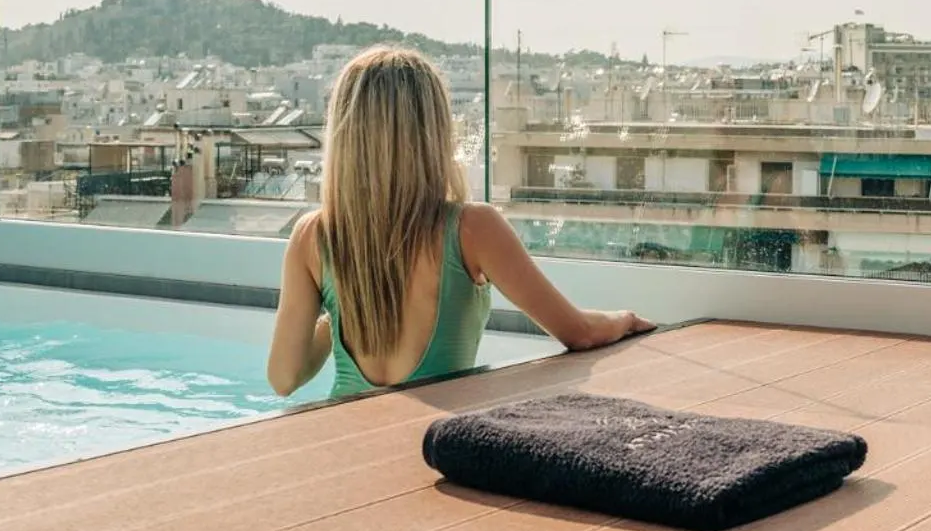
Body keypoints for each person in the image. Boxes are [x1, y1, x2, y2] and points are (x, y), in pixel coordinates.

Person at [267, 46, 651, 398]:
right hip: (437, 439)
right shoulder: (473, 228)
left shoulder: (312, 235)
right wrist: (624, 319)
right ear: (432, 131)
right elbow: (579, 333)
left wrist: (343, 307)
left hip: (342, 438)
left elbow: (284, 378)